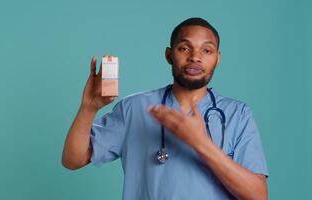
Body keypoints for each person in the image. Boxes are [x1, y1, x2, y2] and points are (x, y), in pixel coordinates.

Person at [62, 17, 269, 200]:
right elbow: (73, 160)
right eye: (184, 48)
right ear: (169, 55)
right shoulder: (135, 108)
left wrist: (199, 142)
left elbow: (258, 195)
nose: (195, 57)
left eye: (207, 50)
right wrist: (88, 108)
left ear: (217, 59)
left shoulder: (238, 115)